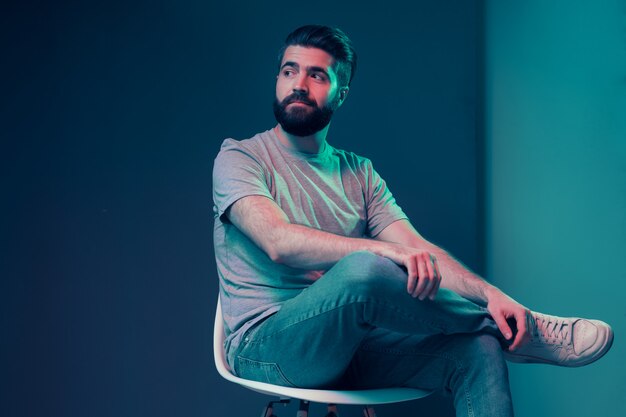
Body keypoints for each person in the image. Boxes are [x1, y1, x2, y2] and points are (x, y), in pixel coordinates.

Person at [212, 25, 613, 417]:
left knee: (476, 350)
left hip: (350, 348)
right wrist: (384, 251)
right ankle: (519, 333)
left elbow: (419, 250)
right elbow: (278, 242)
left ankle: (501, 327)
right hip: (265, 349)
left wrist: (490, 294)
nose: (299, 84)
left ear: (341, 93)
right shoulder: (240, 157)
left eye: (317, 75)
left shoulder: (359, 172)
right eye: (289, 71)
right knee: (365, 269)